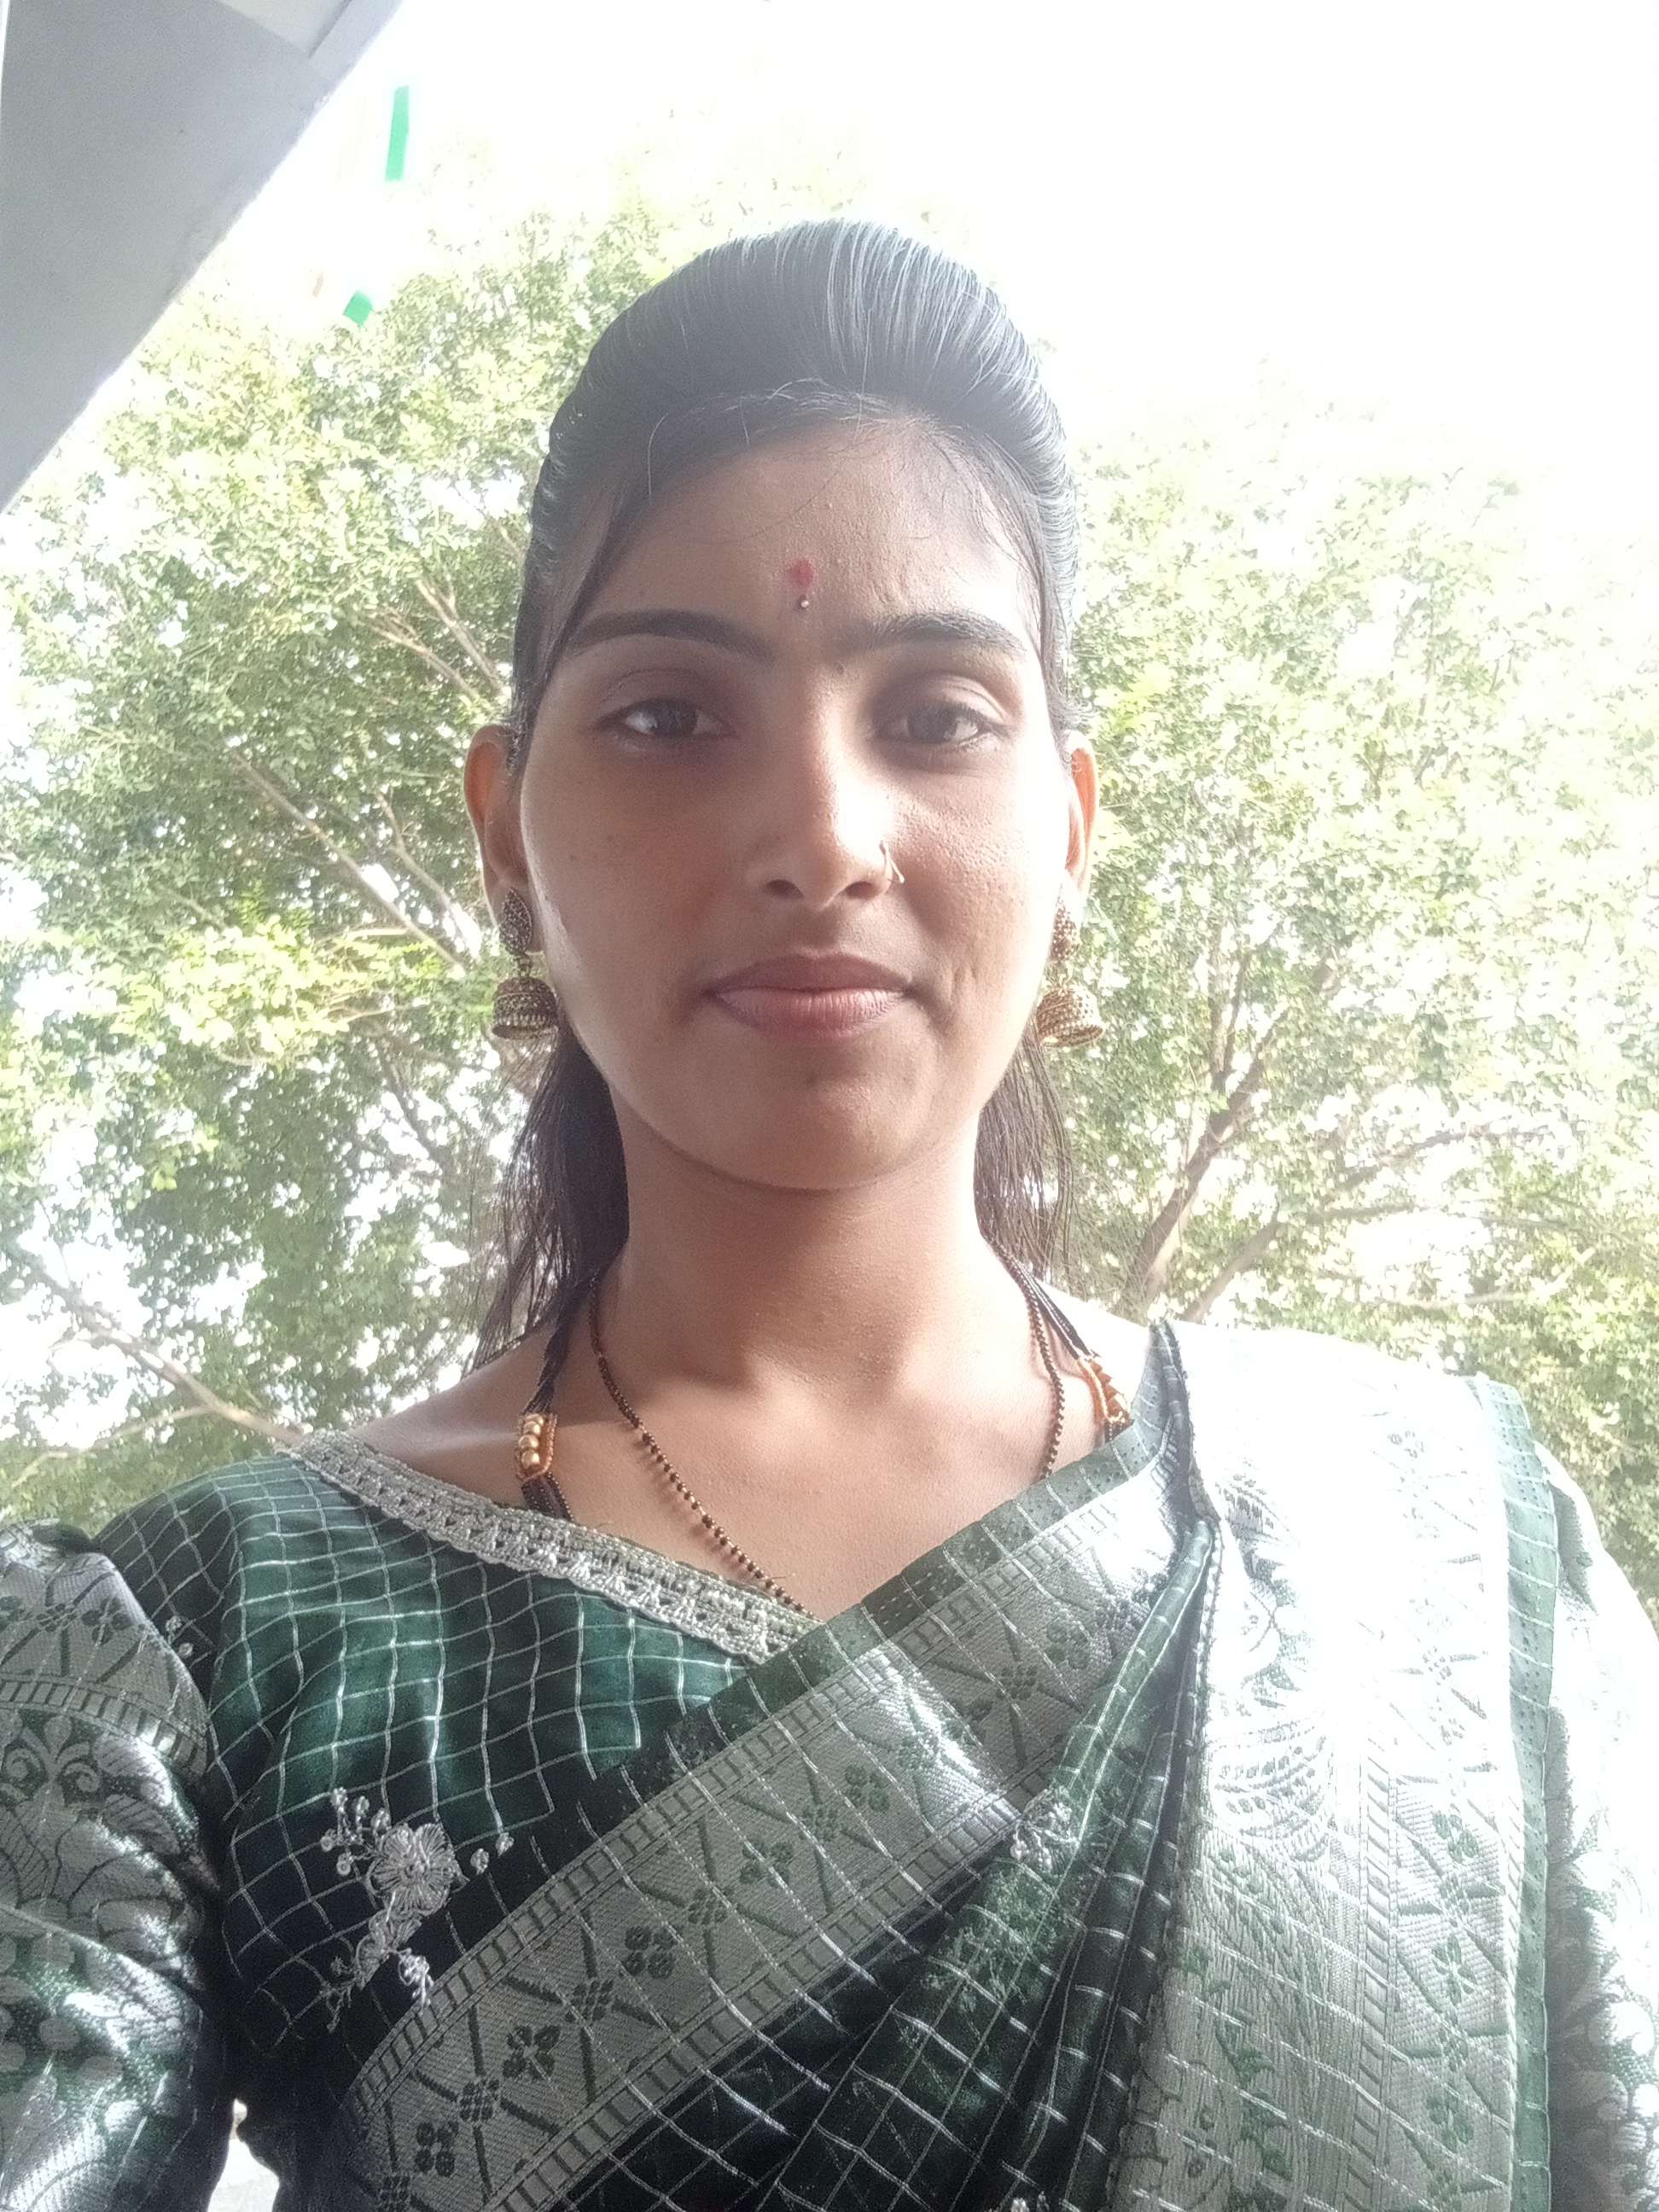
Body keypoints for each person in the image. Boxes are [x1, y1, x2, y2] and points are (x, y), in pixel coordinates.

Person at [1, 218, 1655, 2212]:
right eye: (668, 717)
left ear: (1068, 827)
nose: (819, 838)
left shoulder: (1452, 1556)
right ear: (507, 834)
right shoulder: (198, 1659)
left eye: (937, 715)